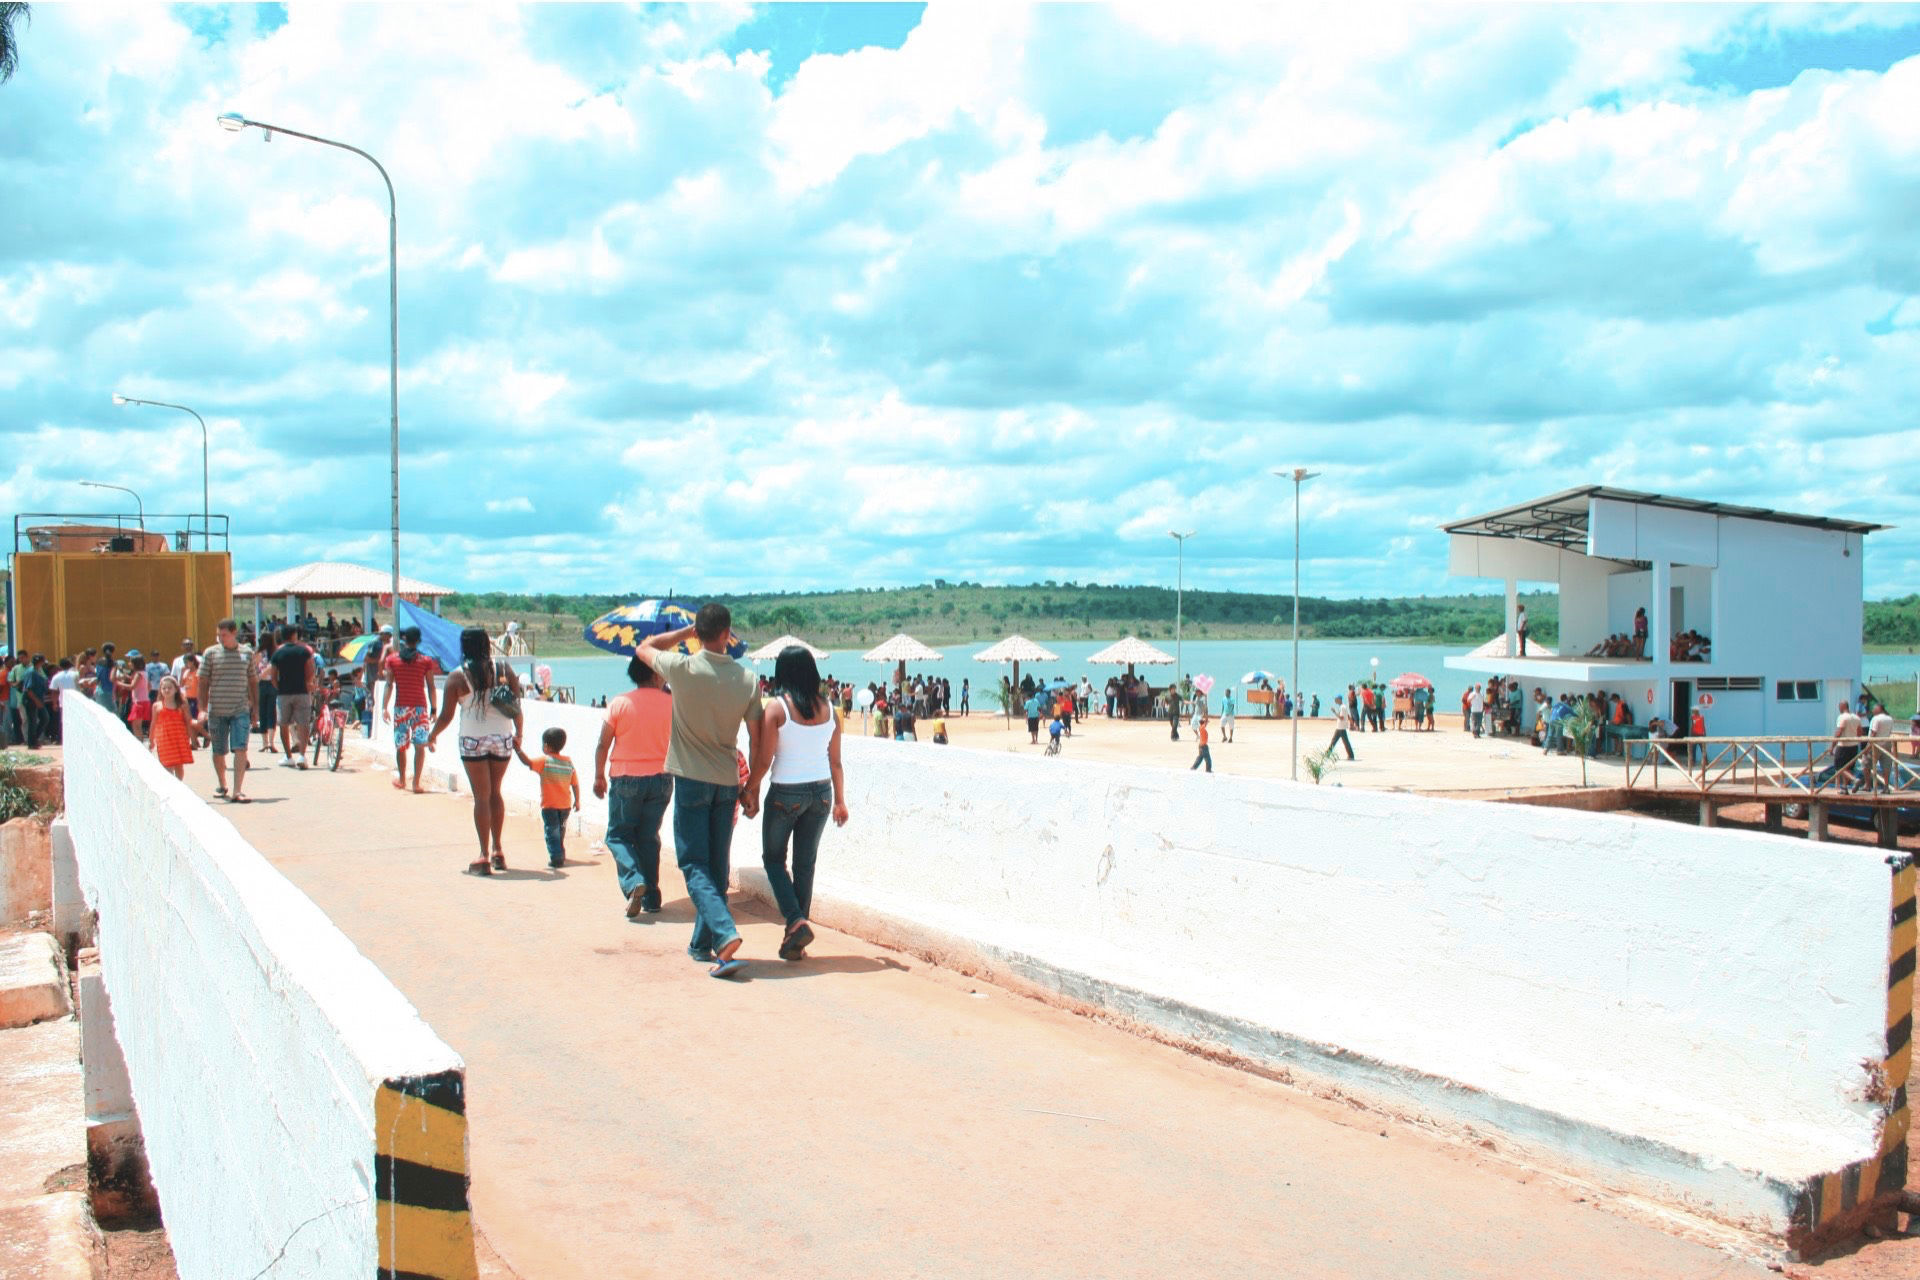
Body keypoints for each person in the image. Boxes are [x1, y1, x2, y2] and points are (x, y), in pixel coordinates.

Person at [633, 604, 763, 980]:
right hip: (726, 780)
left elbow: (644, 647)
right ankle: (700, 944)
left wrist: (682, 634)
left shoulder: (682, 668)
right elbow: (756, 739)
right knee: (717, 865)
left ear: (698, 633)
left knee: (693, 864)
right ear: (728, 634)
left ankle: (723, 934)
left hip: (691, 779)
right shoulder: (747, 679)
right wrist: (752, 784)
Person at [745, 645, 847, 963]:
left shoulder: (777, 708)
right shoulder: (830, 709)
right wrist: (840, 802)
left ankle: (795, 921)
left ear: (782, 673)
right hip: (822, 793)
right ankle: (796, 941)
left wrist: (750, 788)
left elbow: (764, 759)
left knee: (774, 861)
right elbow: (836, 763)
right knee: (805, 866)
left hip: (786, 793)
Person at [428, 628, 525, 875]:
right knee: (496, 793)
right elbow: (517, 707)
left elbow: (447, 716)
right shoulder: (504, 669)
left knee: (481, 796)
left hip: (472, 739)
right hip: (502, 738)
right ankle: (498, 850)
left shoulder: (457, 677)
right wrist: (519, 734)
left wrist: (432, 735)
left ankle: (483, 855)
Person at [594, 653, 674, 918]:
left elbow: (603, 743)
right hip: (662, 778)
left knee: (618, 835)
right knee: (648, 838)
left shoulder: (620, 703)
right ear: (654, 674)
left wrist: (598, 776)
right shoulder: (672, 703)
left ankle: (633, 881)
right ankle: (651, 897)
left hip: (626, 777)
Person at [198, 619, 257, 803]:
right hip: (217, 710)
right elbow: (203, 682)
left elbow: (253, 681)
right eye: (219, 635)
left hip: (240, 709)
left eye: (224, 635)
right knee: (219, 750)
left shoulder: (247, 653)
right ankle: (222, 783)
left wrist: (255, 708)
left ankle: (237, 791)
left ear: (234, 633)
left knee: (241, 748)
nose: (220, 638)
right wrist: (201, 709)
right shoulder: (211, 654)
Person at [381, 626, 439, 793]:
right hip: (420, 709)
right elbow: (431, 687)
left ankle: (401, 779)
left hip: (400, 709)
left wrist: (384, 707)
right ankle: (416, 783)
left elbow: (388, 685)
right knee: (420, 746)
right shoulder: (426, 661)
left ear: (404, 640)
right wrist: (434, 709)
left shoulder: (392, 660)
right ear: (419, 640)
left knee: (401, 746)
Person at [518, 726, 580, 870]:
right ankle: (560, 852)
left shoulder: (545, 761)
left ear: (546, 746)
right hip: (565, 806)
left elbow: (528, 762)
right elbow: (575, 784)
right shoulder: (568, 762)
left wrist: (518, 749)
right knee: (560, 831)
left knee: (551, 832)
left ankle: (556, 857)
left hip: (549, 806)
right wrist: (577, 800)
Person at [270, 626, 318, 766]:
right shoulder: (304, 651)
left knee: (284, 724)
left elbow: (273, 677)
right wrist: (307, 683)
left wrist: (280, 688)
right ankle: (302, 756)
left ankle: (288, 756)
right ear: (294, 635)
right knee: (303, 724)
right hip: (302, 692)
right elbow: (310, 670)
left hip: (284, 694)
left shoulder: (277, 653)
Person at [150, 675, 194, 780]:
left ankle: (179, 784)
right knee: (166, 764)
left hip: (179, 738)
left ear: (176, 689)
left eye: (169, 687)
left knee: (178, 765)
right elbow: (153, 723)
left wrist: (192, 738)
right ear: (160, 690)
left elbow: (188, 722)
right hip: (164, 740)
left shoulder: (182, 705)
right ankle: (171, 787)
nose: (166, 690)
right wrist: (151, 739)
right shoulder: (157, 706)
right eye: (164, 688)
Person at [1328, 696, 1356, 760]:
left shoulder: (1343, 707)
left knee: (1334, 741)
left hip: (1340, 727)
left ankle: (1327, 754)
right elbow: (1348, 716)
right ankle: (1351, 755)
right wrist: (1351, 723)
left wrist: (1334, 712)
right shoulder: (1343, 707)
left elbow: (1341, 717)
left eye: (1336, 699)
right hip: (1341, 727)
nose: (1335, 701)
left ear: (1339, 699)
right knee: (1343, 741)